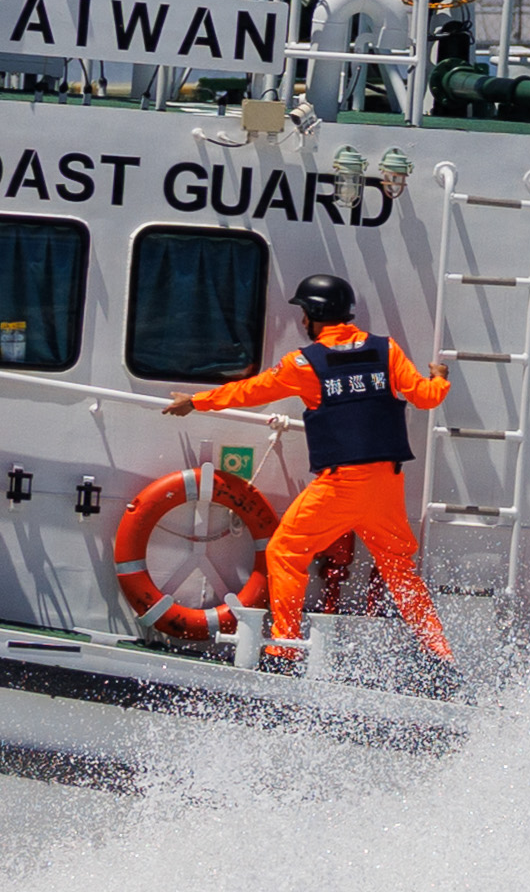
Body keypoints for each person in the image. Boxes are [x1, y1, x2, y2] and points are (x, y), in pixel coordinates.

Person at [179, 272, 451, 664]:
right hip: (386, 484)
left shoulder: (305, 364)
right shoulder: (385, 350)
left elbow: (251, 391)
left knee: (285, 551)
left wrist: (197, 401)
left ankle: (284, 649)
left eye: (304, 313)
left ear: (315, 315)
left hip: (341, 485)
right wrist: (439, 379)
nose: (301, 321)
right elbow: (425, 398)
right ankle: (440, 653)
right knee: (399, 570)